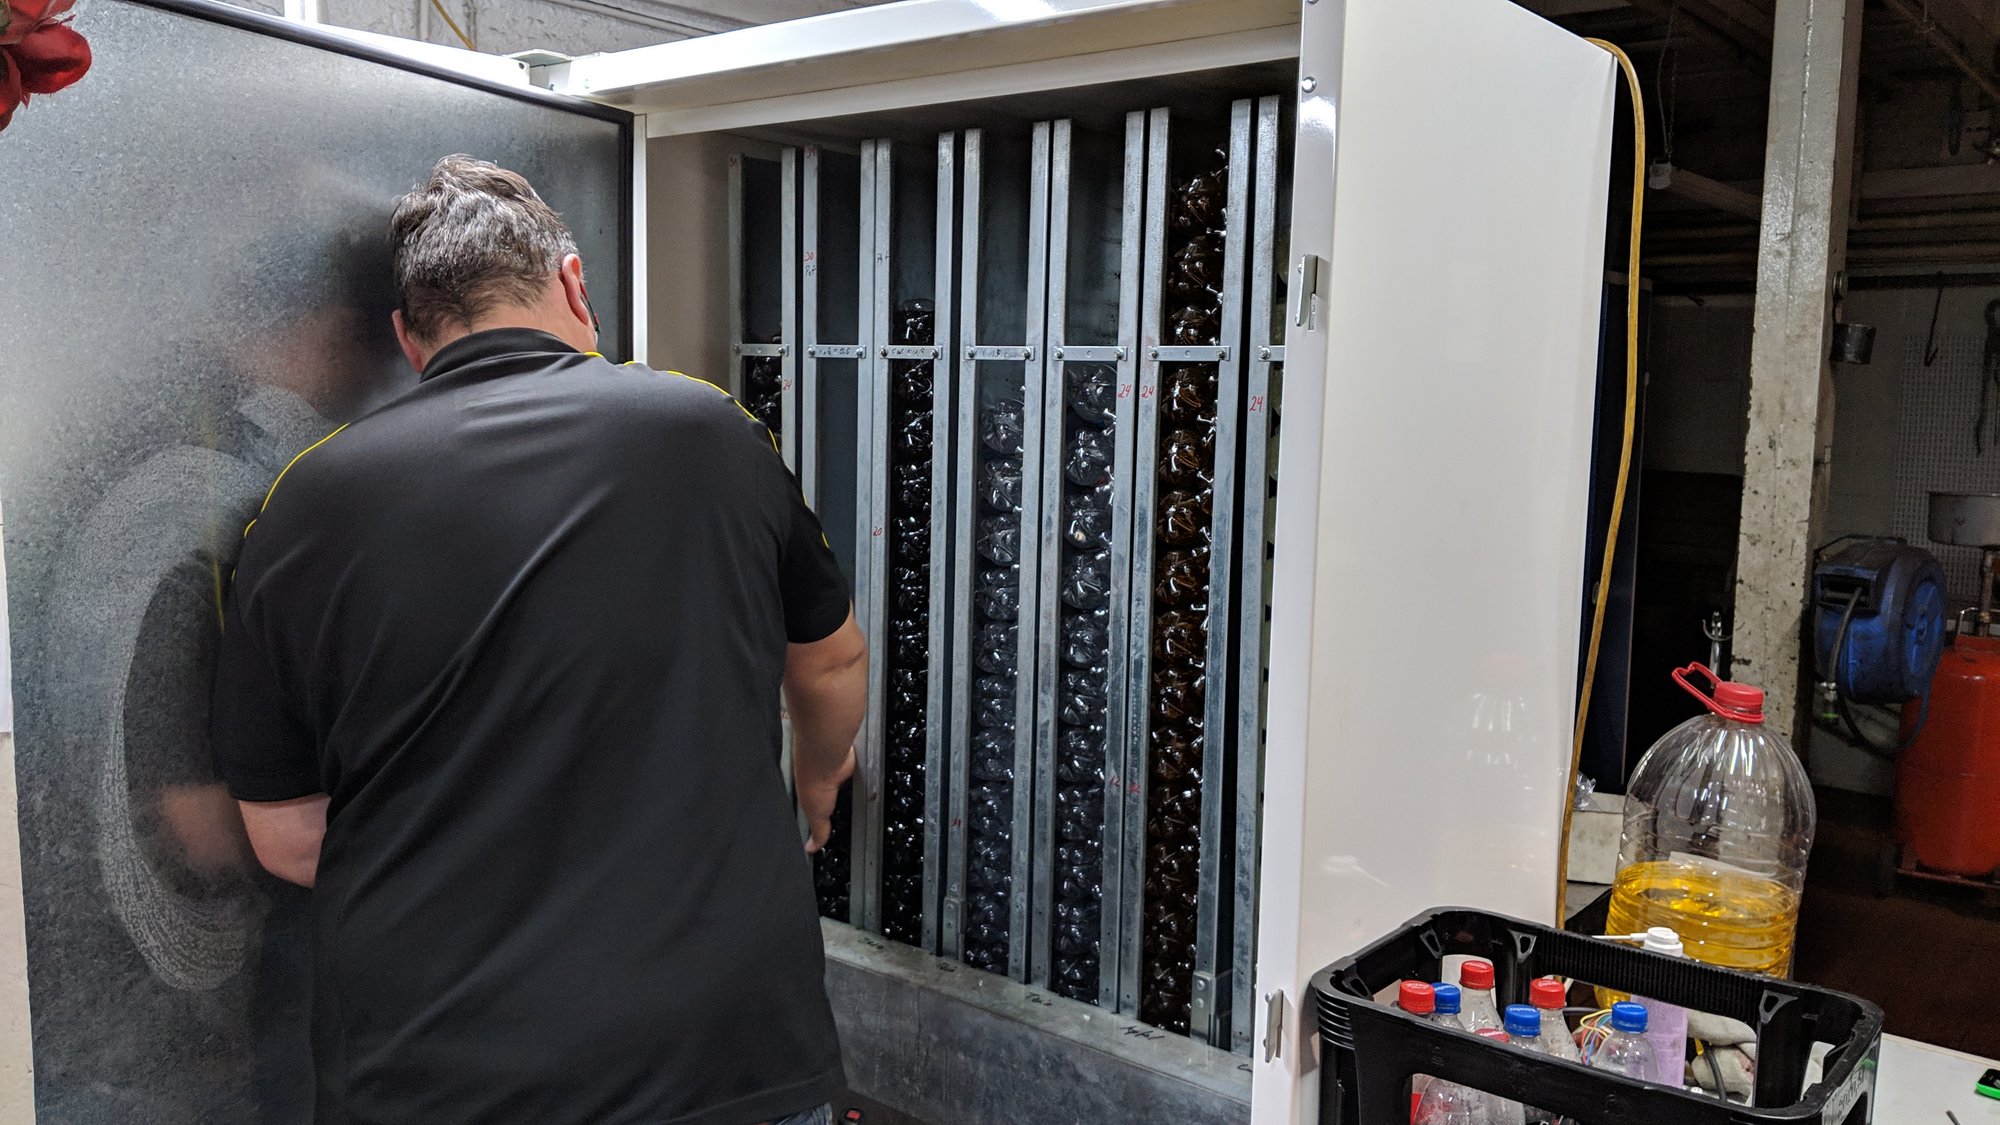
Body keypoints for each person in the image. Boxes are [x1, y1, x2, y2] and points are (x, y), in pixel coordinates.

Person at [208, 154, 864, 1125]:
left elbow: (287, 836)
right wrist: (816, 778)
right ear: (573, 284)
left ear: (408, 336)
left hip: (436, 1079)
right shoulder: (709, 431)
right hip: (723, 1061)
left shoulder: (303, 501)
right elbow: (832, 658)